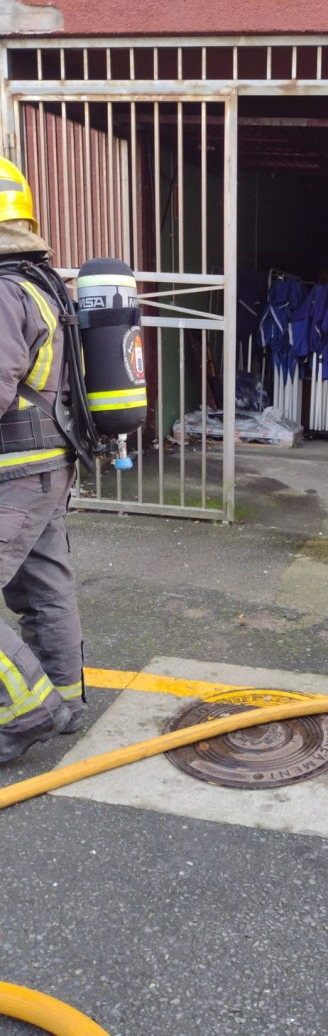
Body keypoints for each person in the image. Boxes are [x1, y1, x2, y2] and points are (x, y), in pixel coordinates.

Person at [0, 156, 88, 763]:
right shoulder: (40, 281)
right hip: (48, 464)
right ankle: (63, 699)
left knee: (43, 586)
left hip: (12, 472)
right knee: (45, 585)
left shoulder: (3, 291)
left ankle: (23, 711)